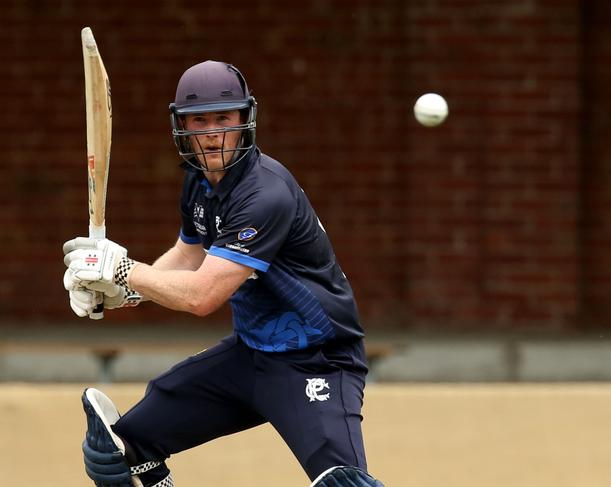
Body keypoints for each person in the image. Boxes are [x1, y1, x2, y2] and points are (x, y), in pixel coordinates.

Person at [63, 61, 384, 487]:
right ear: (182, 125)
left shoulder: (264, 194)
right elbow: (189, 257)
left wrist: (122, 269)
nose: (212, 132)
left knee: (341, 482)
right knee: (123, 452)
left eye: (223, 118)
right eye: (200, 120)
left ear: (244, 120)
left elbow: (202, 296)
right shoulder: (198, 183)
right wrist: (122, 290)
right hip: (250, 356)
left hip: (317, 361)